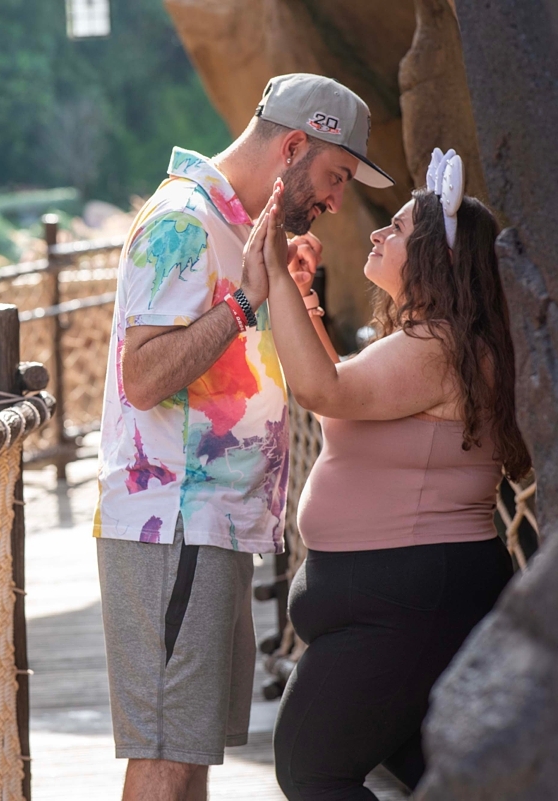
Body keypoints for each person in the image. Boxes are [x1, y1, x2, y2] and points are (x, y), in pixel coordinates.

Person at [95, 73, 395, 801]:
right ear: (293, 146)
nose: (336, 200)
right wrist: (244, 304)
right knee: (165, 758)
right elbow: (143, 376)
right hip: (172, 524)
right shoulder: (184, 222)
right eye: (335, 176)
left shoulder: (233, 230)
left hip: (207, 530)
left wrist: (273, 294)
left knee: (187, 754)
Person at [245, 149, 531, 800]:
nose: (377, 232)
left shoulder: (444, 349)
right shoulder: (431, 344)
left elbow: (326, 391)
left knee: (313, 769)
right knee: (439, 779)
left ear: (435, 259)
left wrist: (276, 281)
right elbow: (340, 383)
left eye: (396, 229)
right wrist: (307, 302)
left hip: (408, 597)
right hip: (402, 597)